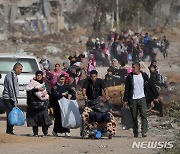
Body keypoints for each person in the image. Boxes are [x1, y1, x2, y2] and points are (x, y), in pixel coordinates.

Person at [123, 62, 159, 138]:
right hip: (133, 99)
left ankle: (144, 131)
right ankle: (135, 132)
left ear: (138, 68)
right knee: (134, 116)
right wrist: (125, 99)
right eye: (132, 67)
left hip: (142, 98)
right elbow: (127, 89)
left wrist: (156, 95)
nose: (132, 69)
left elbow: (151, 85)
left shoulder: (143, 75)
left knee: (143, 114)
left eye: (134, 67)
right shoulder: (130, 77)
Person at [26, 71, 52, 137]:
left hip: (43, 105)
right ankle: (35, 133)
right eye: (38, 75)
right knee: (34, 120)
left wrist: (46, 93)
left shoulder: (45, 83)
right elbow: (29, 91)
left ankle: (45, 132)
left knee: (45, 120)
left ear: (42, 76)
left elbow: (50, 91)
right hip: (34, 104)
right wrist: (37, 89)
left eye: (40, 75)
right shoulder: (32, 83)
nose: (39, 77)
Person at [2, 63, 23, 135]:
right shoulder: (11, 75)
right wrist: (14, 99)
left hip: (11, 97)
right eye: (20, 69)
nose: (21, 71)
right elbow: (12, 88)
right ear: (16, 68)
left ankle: (10, 129)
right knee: (11, 113)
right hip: (9, 98)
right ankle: (9, 130)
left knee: (12, 113)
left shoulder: (13, 75)